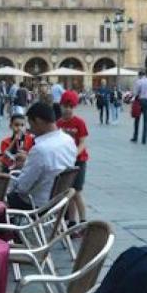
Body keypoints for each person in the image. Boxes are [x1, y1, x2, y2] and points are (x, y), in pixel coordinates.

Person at [6, 102, 77, 210]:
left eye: (31, 124)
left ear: (38, 121)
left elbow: (22, 188)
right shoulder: (69, 141)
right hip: (58, 201)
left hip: (36, 204)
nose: (30, 129)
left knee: (0, 197)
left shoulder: (40, 149)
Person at [56, 91, 89, 224]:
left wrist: (74, 154)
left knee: (77, 192)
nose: (68, 109)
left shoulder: (79, 122)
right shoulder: (58, 124)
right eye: (65, 106)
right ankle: (71, 221)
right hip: (64, 161)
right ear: (61, 106)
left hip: (79, 161)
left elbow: (83, 142)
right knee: (69, 192)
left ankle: (82, 220)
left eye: (71, 106)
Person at [131, 70, 147, 144]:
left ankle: (135, 137)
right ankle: (144, 139)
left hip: (139, 101)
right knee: (146, 121)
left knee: (137, 119)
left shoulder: (138, 82)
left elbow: (135, 93)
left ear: (140, 75)